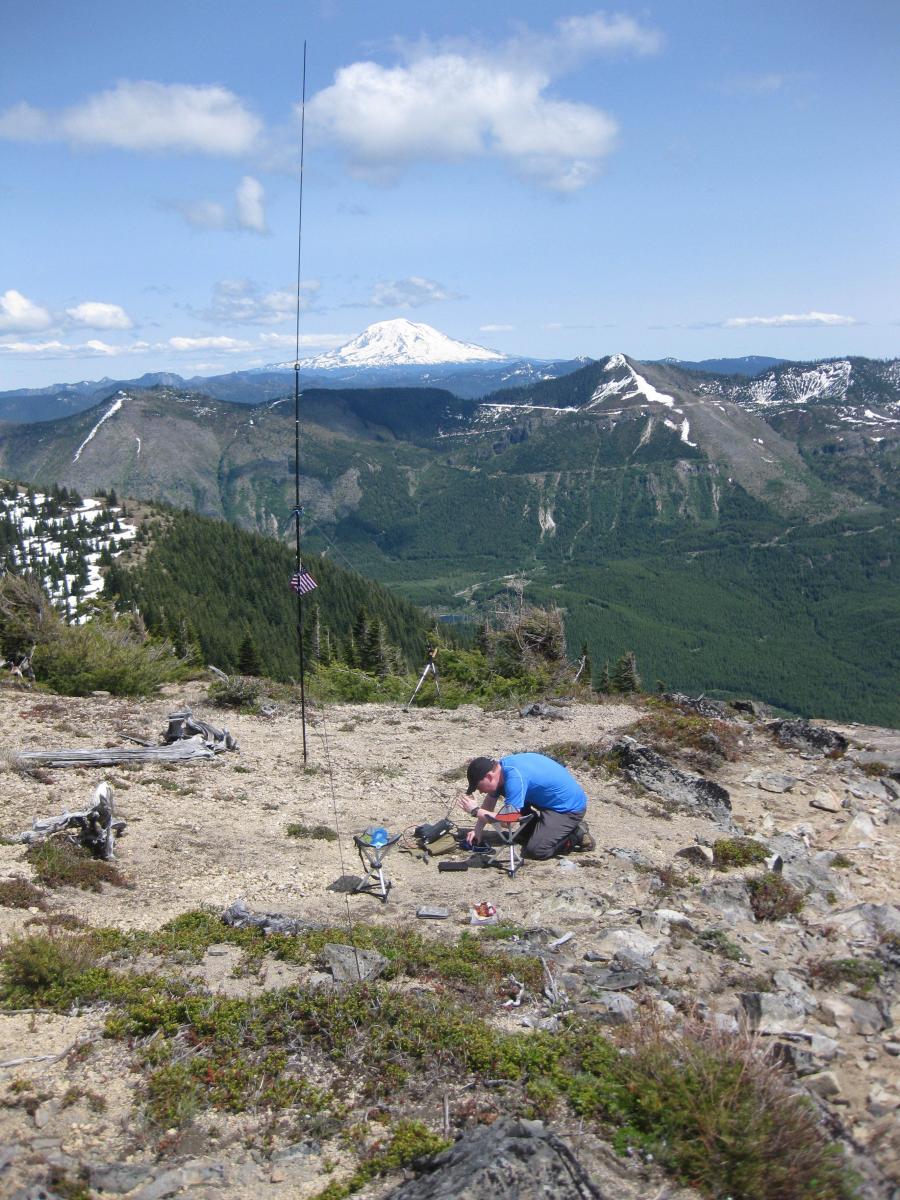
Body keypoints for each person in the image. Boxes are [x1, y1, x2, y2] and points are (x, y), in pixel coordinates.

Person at [457, 753, 595, 860]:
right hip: (546, 801)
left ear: (489, 776)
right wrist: (478, 830)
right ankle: (539, 826)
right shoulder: (502, 769)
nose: (480, 791)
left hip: (567, 809)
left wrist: (476, 811)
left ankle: (576, 833)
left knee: (536, 850)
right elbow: (491, 800)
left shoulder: (514, 778)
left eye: (479, 786)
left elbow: (507, 820)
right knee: (521, 835)